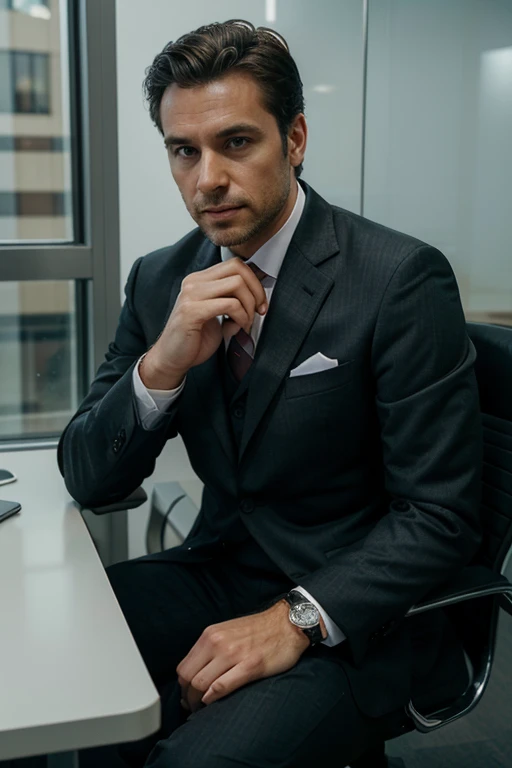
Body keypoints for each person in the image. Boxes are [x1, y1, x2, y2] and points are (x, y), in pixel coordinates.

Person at [59, 19, 482, 768]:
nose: (206, 179)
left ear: (294, 139)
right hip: (220, 568)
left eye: (236, 143)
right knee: (58, 658)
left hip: (362, 618)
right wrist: (163, 365)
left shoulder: (397, 280)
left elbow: (441, 517)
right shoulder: (163, 280)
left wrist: (296, 620)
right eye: (183, 151)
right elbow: (92, 478)